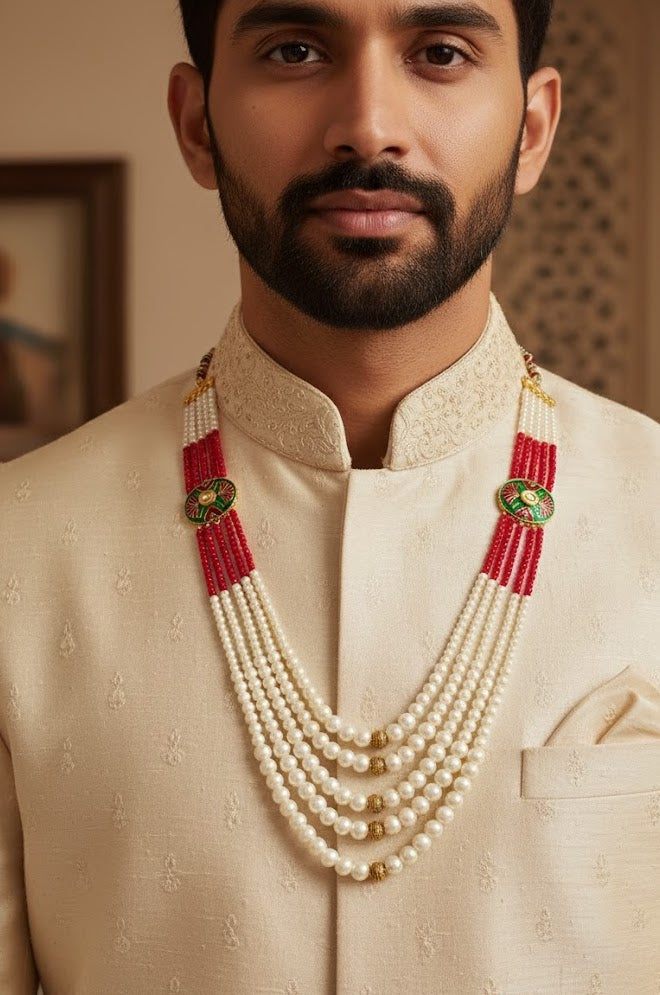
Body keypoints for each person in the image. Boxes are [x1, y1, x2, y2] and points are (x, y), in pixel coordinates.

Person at [1, 0, 659, 991]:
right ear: (196, 124)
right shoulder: (20, 549)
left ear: (531, 129)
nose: (367, 124)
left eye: (440, 53)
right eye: (296, 50)